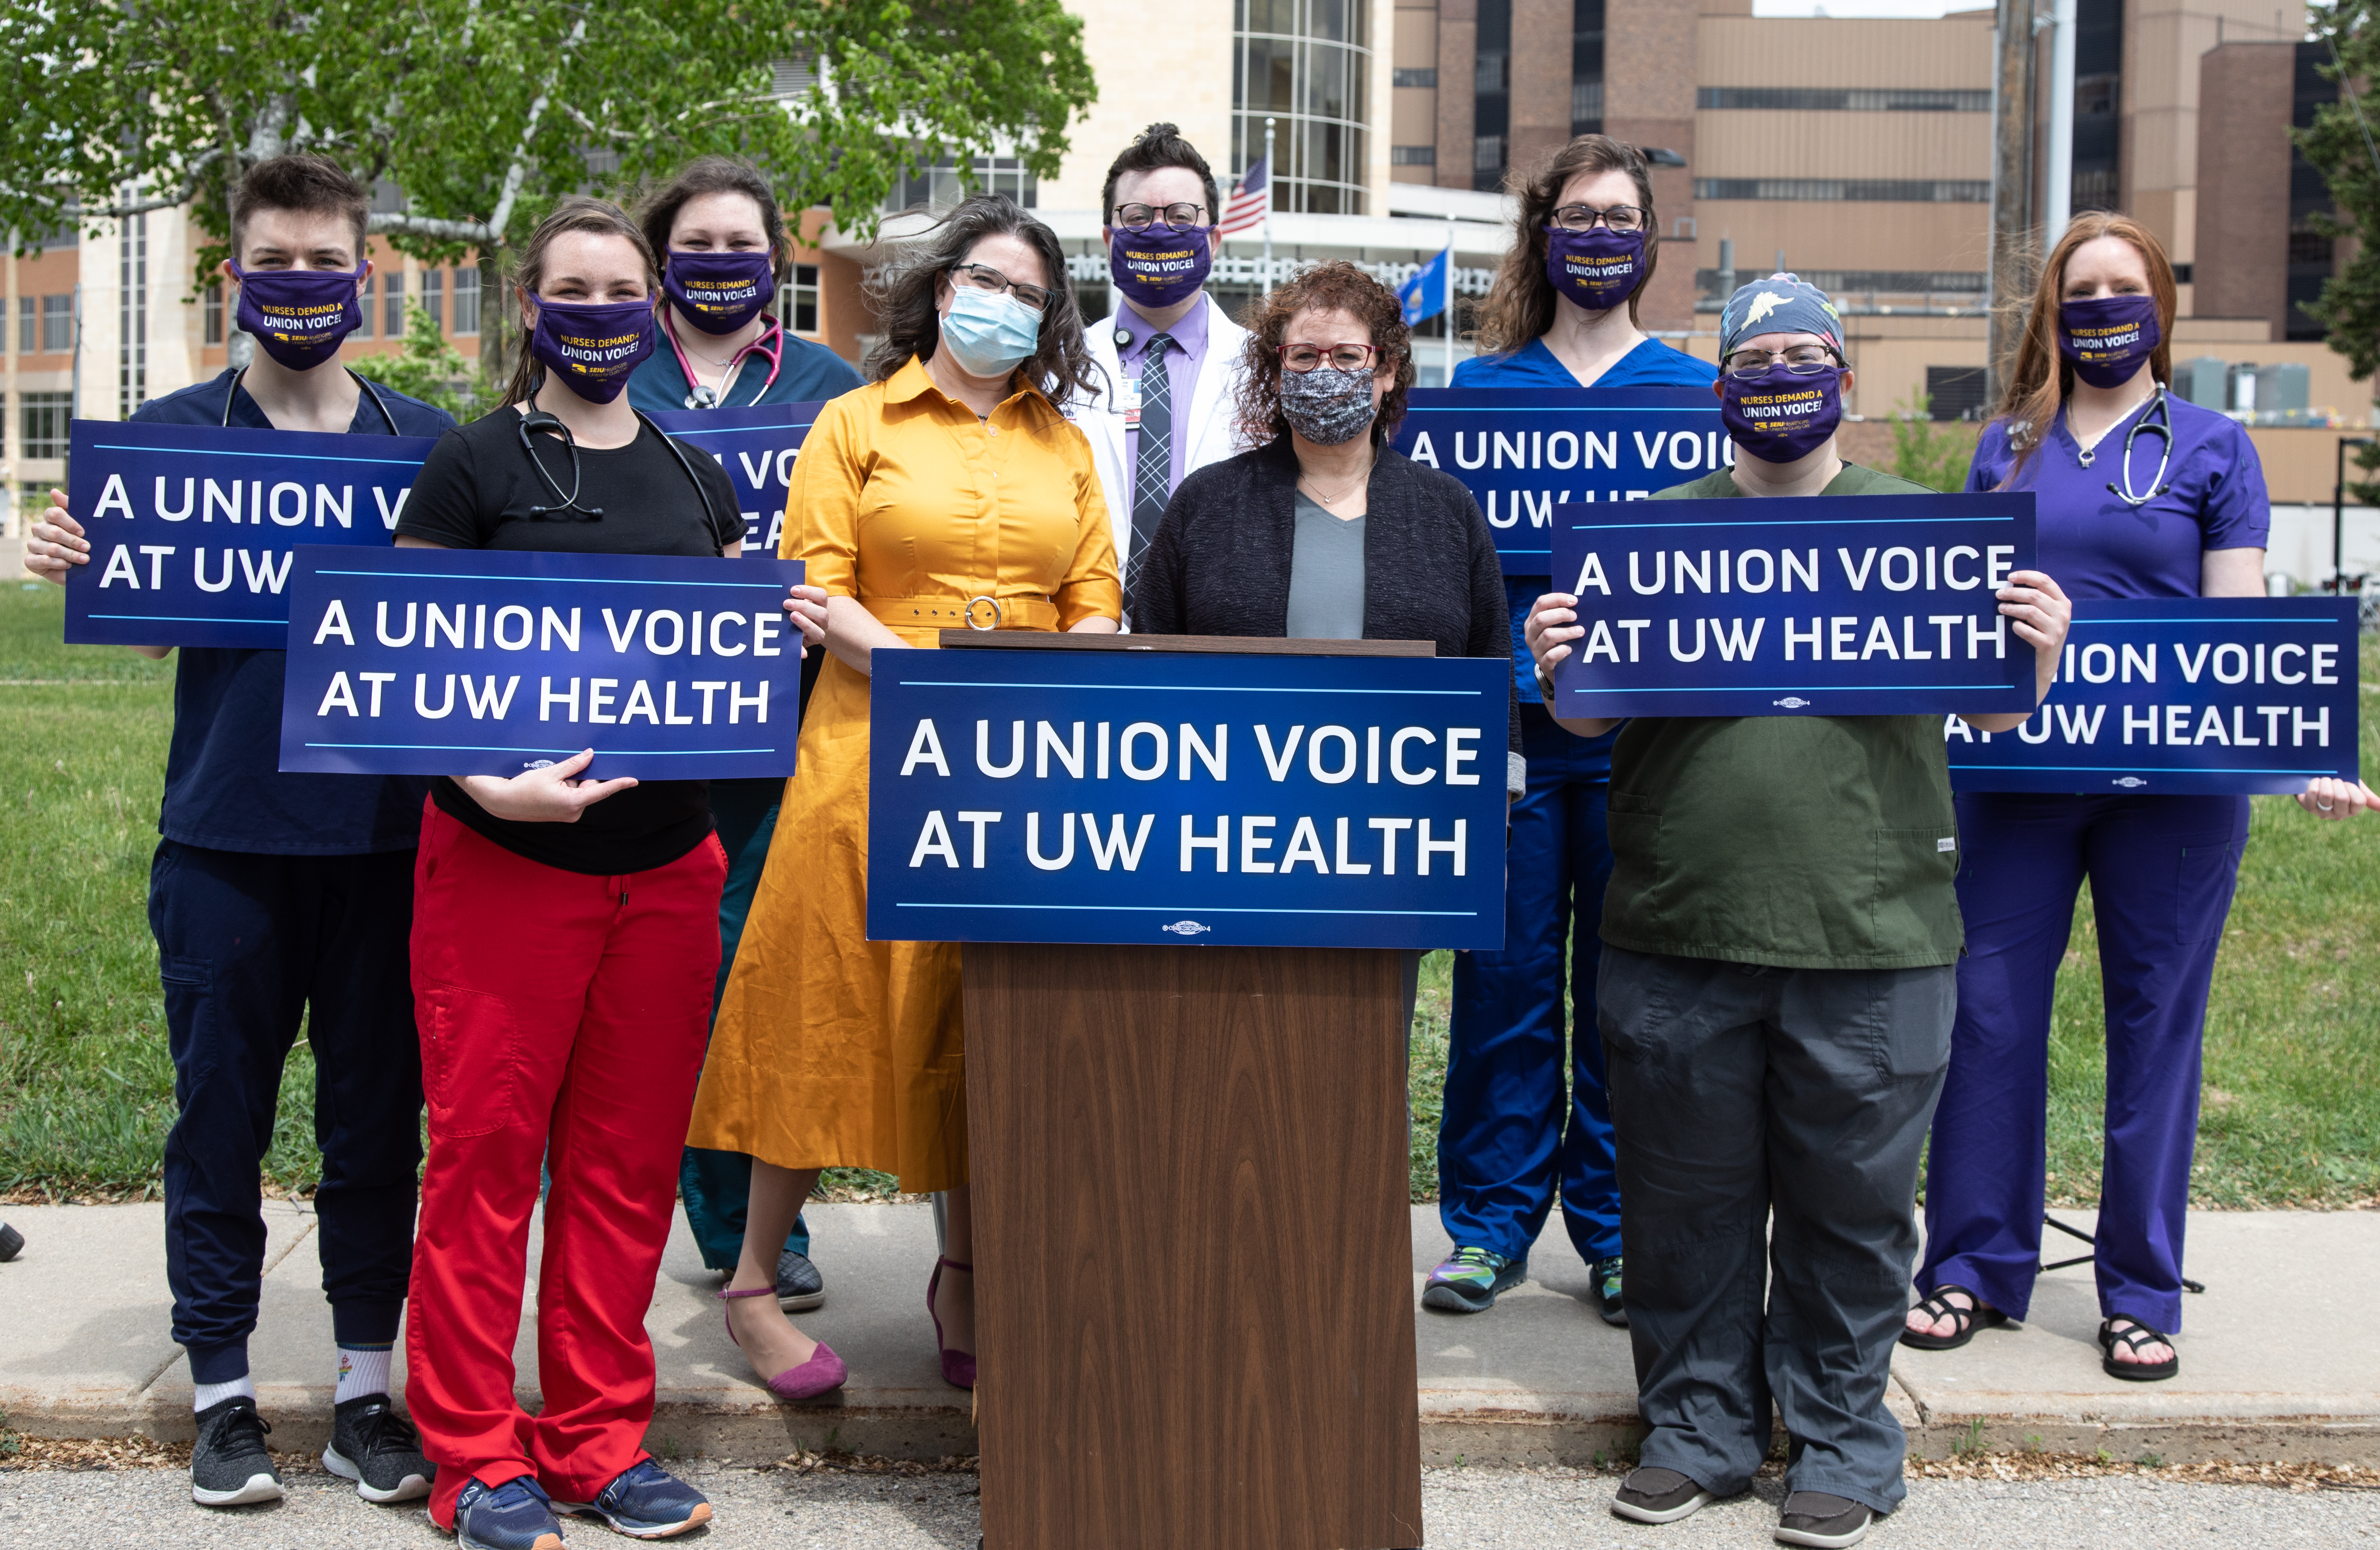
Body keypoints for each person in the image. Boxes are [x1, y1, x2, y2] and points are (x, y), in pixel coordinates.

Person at [1526, 274, 2072, 1547]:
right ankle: (1696, 1432)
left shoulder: (1927, 532)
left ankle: (1840, 1438)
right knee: (1682, 1206)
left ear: (1844, 377)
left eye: (1801, 356)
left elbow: (1995, 709)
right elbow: (1585, 720)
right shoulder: (1649, 537)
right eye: (1754, 360)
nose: (1778, 378)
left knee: (1853, 1210)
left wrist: (2035, 654)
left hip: (1871, 932)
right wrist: (1558, 662)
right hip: (1680, 924)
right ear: (1719, 388)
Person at [388, 195, 828, 1550]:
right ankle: (474, 1455)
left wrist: (774, 636)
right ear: (531, 307)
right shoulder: (470, 464)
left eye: (617, 291)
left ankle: (596, 1440)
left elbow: (726, 670)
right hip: (506, 866)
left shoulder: (695, 476)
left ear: (651, 306)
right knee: (485, 1162)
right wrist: (486, 781)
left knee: (626, 1171)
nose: (597, 314)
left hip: (669, 873)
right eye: (570, 292)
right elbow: (402, 665)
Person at [25, 155, 451, 1513]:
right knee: (219, 1123)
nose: (300, 284)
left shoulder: (429, 448)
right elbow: (148, 627)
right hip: (223, 843)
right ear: (234, 277)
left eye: (325, 262)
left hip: (389, 844)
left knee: (376, 1129)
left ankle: (365, 1391)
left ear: (365, 273)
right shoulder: (169, 440)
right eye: (275, 261)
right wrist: (76, 563)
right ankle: (221, 1397)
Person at [1902, 213, 2370, 1384]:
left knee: (2156, 1024)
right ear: (2052, 315)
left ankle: (2140, 1290)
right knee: (1986, 1018)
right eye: (2080, 292)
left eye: (2122, 287)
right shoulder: (2006, 446)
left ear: (2160, 304)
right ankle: (1969, 1265)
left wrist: (2297, 752)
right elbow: (1972, 618)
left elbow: (2239, 630)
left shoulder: (2214, 448)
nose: (2100, 309)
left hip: (2170, 793)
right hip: (2018, 776)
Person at [687, 193, 1121, 1401]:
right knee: (818, 1011)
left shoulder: (1063, 443)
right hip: (867, 747)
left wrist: (1058, 677)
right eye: (987, 281)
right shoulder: (854, 420)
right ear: (941, 288)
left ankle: (964, 1272)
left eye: (1030, 293)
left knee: (979, 1018)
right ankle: (753, 1283)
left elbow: (1094, 596)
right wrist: (931, 678)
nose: (1004, 306)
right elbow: (816, 591)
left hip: (1020, 765)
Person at [1428, 134, 1716, 1326]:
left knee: (1625, 1000)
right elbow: (1445, 577)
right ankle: (1486, 1227)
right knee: (1500, 988)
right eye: (1578, 216)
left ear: (1649, 241)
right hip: (1507, 747)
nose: (1599, 236)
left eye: (1619, 218)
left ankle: (1615, 1230)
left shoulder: (1700, 399)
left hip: (1647, 750)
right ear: (1542, 237)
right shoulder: (1474, 399)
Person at [630, 155, 865, 1315]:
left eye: (741, 245)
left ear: (776, 258)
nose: (720, 263)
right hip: (643, 723)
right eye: (697, 244)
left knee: (756, 972)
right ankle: (639, 1209)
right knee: (656, 976)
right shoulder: (609, 367)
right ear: (659, 259)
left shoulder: (831, 384)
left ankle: (749, 1229)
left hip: (791, 725)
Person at [1066, 122, 1253, 618]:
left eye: (1181, 216)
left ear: (1215, 239)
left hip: (1220, 634)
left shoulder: (1264, 370)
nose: (1158, 229)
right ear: (1109, 238)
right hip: (1082, 633)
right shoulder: (1057, 369)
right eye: (1138, 216)